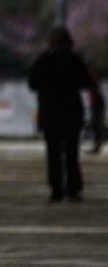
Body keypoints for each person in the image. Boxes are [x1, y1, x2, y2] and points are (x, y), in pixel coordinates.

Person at [28, 27, 96, 202]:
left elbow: (32, 84)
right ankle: (73, 189)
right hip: (71, 113)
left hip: (50, 113)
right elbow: (87, 83)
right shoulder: (75, 61)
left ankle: (56, 189)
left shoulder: (43, 61)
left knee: (53, 153)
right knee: (72, 153)